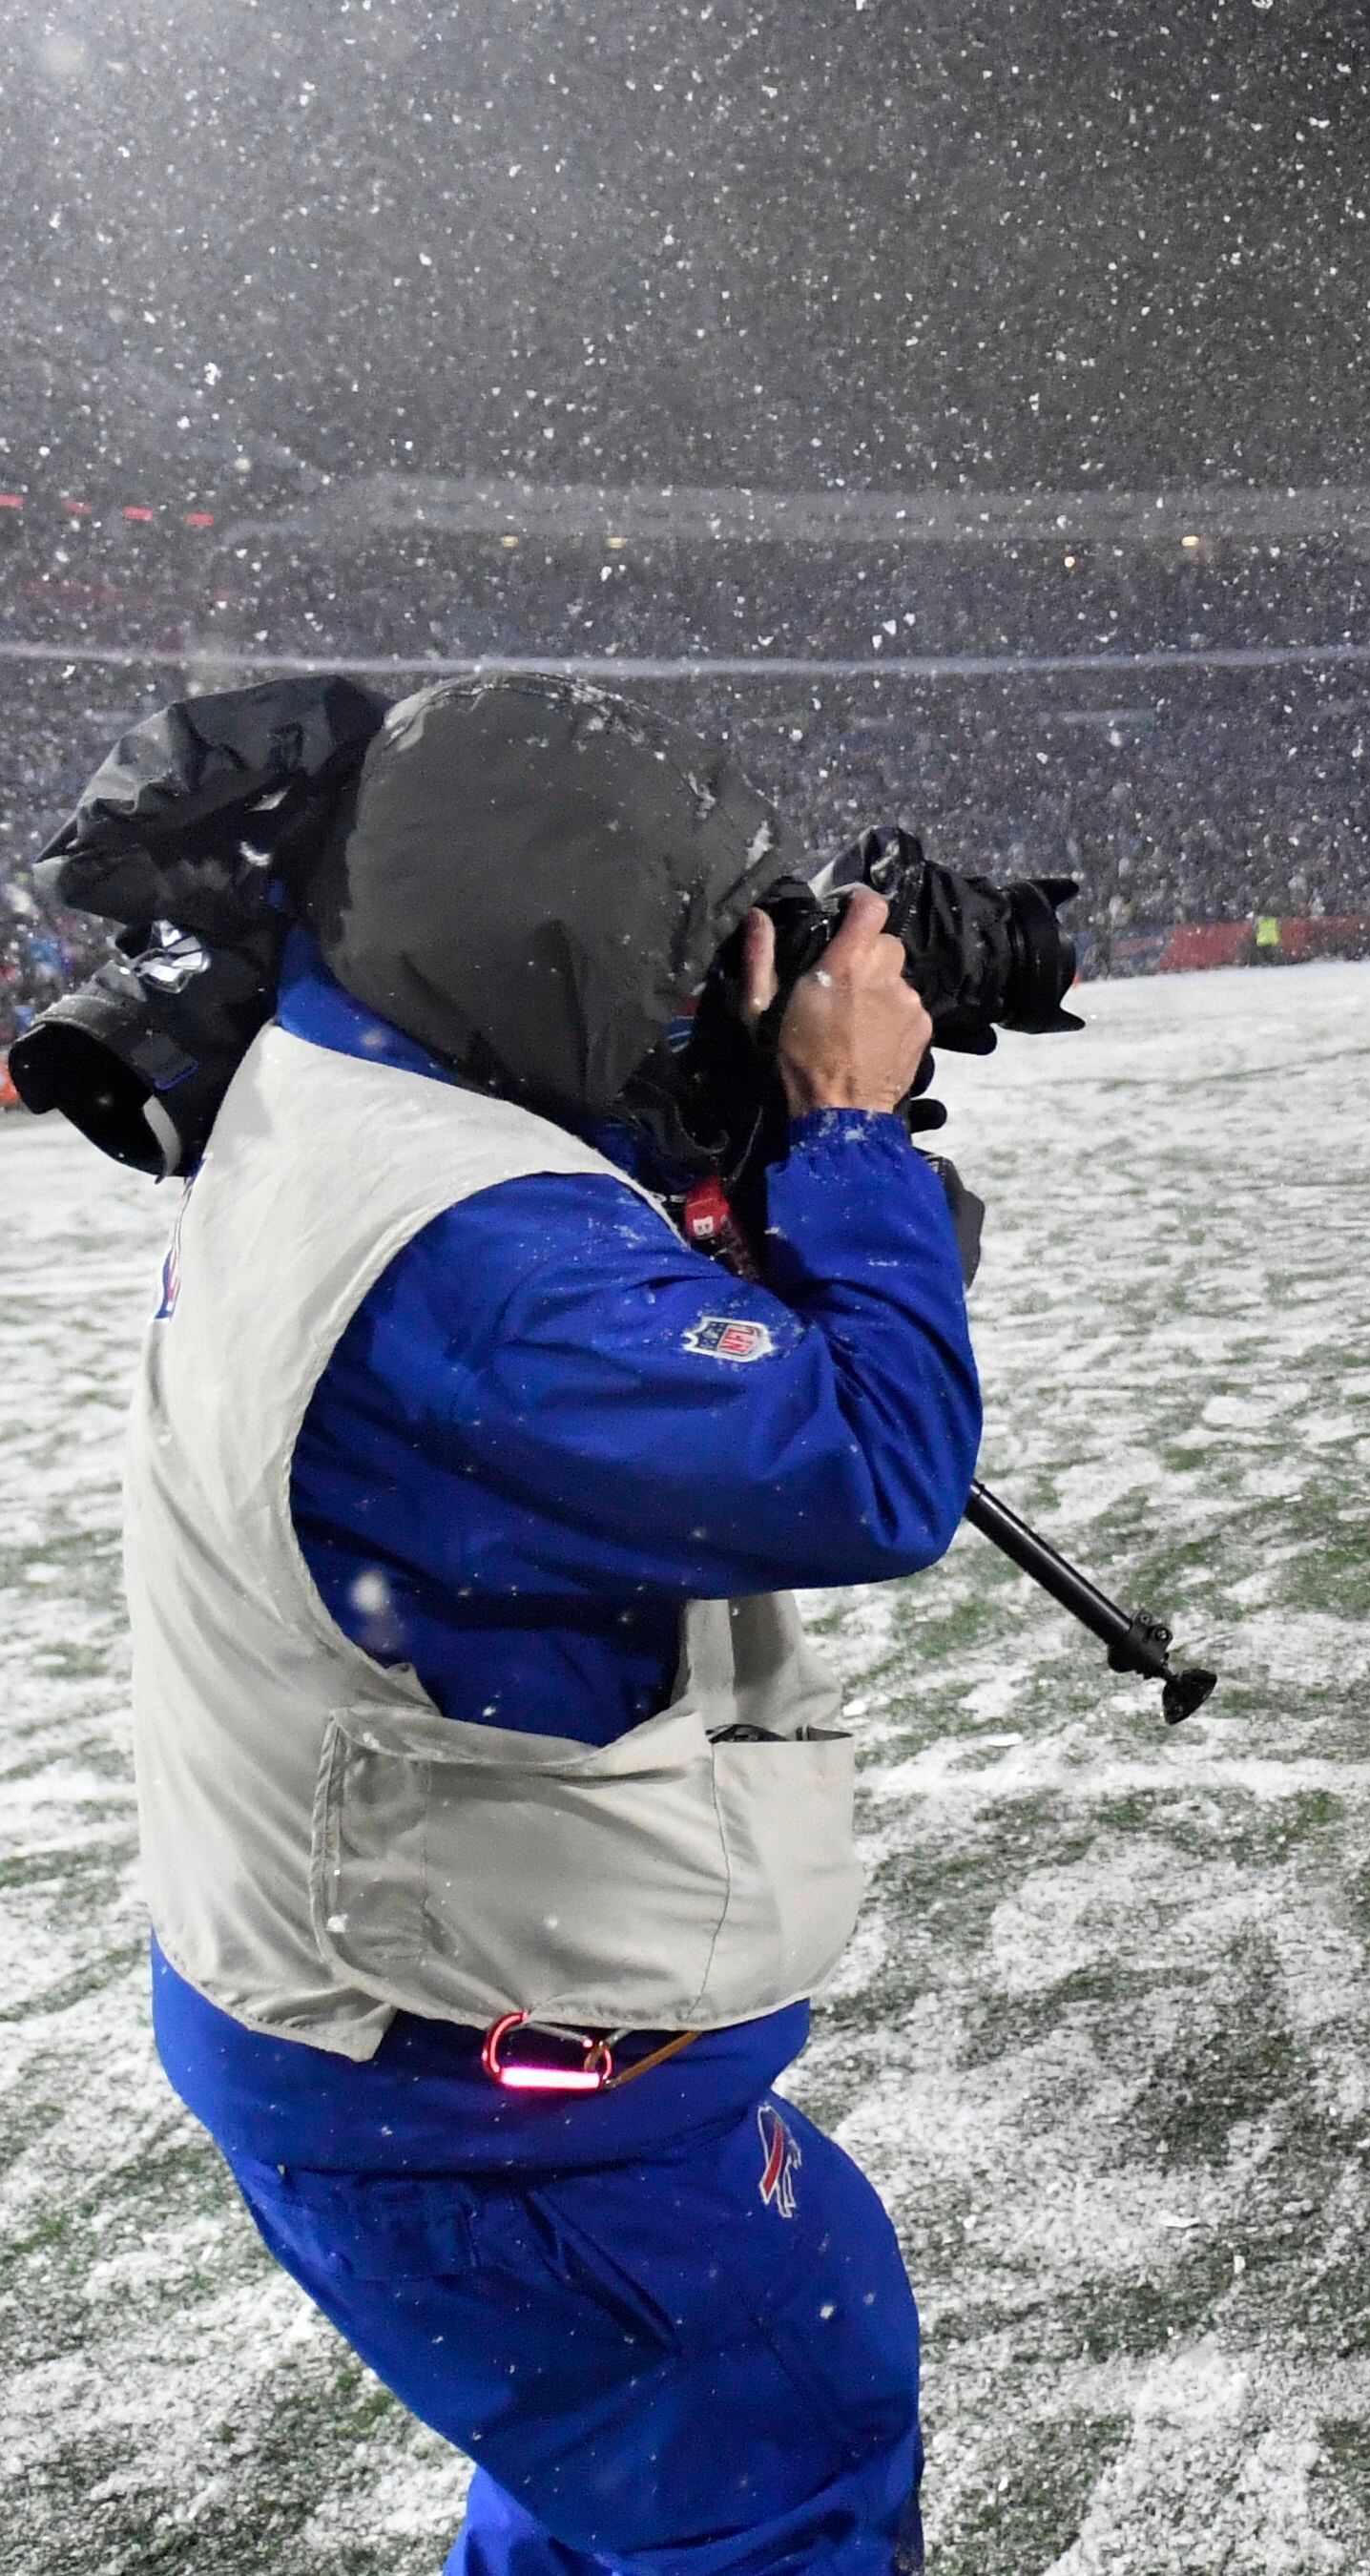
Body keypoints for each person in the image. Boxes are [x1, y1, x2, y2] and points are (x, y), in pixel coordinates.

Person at [131, 675, 977, 2576]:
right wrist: (845, 1133)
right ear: (568, 923)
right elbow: (867, 1467)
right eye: (687, 946)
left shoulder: (341, 1080)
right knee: (770, 2452)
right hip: (460, 2073)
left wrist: (726, 1177)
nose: (711, 993)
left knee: (610, 2456)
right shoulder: (470, 1257)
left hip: (352, 1992)